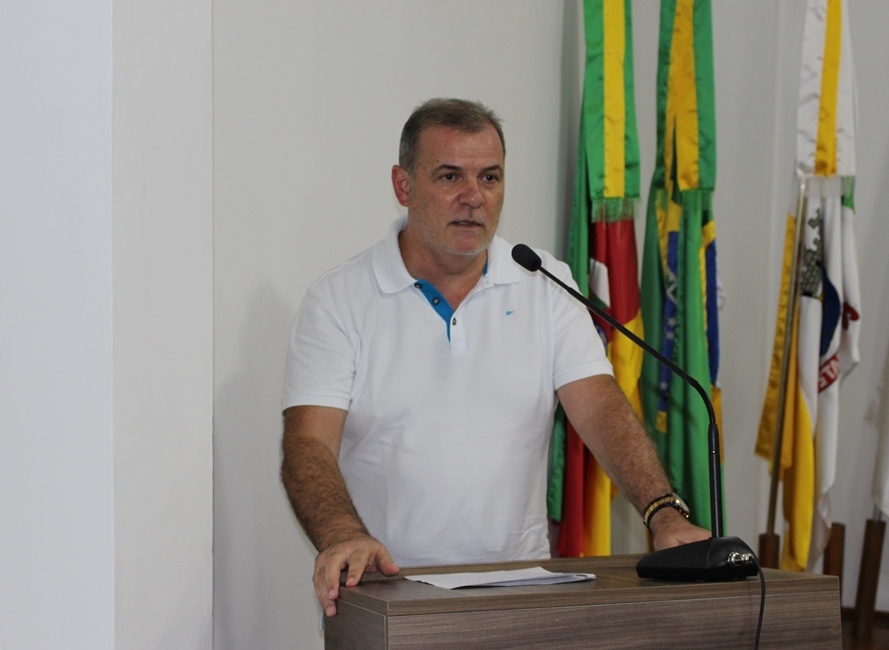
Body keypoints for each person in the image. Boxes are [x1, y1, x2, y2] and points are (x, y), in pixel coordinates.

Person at [280, 98, 710, 622]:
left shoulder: (543, 282)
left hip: (520, 592)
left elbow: (599, 408)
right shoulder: (339, 299)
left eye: (490, 177)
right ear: (403, 186)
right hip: (387, 594)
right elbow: (308, 443)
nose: (473, 197)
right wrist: (343, 535)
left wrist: (663, 512)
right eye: (449, 177)